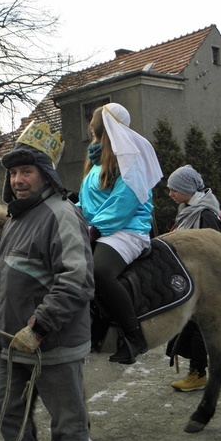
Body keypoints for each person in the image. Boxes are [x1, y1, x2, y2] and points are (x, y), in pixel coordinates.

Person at [0, 121, 95, 441]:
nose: (18, 180)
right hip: (11, 344)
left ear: (46, 174)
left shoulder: (61, 213)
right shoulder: (15, 217)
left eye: (27, 172)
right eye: (14, 173)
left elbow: (77, 280)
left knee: (68, 423)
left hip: (53, 344)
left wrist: (38, 328)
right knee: (1, 406)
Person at [78, 103, 163, 364]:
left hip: (126, 229)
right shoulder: (95, 163)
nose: (92, 135)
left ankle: (134, 336)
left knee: (100, 271)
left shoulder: (130, 159)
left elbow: (124, 201)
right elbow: (87, 202)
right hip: (100, 229)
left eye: (96, 131)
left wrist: (95, 228)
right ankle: (96, 327)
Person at [163, 165, 221, 392]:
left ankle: (198, 373)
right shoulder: (187, 209)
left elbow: (214, 250)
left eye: (174, 189)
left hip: (203, 281)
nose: (170, 194)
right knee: (193, 326)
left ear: (187, 188)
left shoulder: (205, 214)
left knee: (197, 327)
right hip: (189, 277)